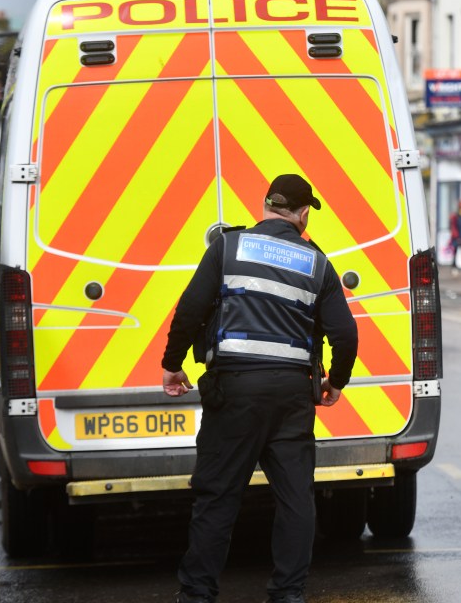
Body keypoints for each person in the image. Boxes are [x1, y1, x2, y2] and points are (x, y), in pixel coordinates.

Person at [161, 173, 358, 603]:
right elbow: (345, 335)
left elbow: (191, 307)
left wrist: (172, 364)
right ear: (303, 214)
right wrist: (335, 382)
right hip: (290, 397)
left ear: (266, 204)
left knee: (217, 497)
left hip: (233, 391)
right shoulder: (317, 263)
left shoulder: (227, 248)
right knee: (295, 499)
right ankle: (287, 594)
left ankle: (197, 595)